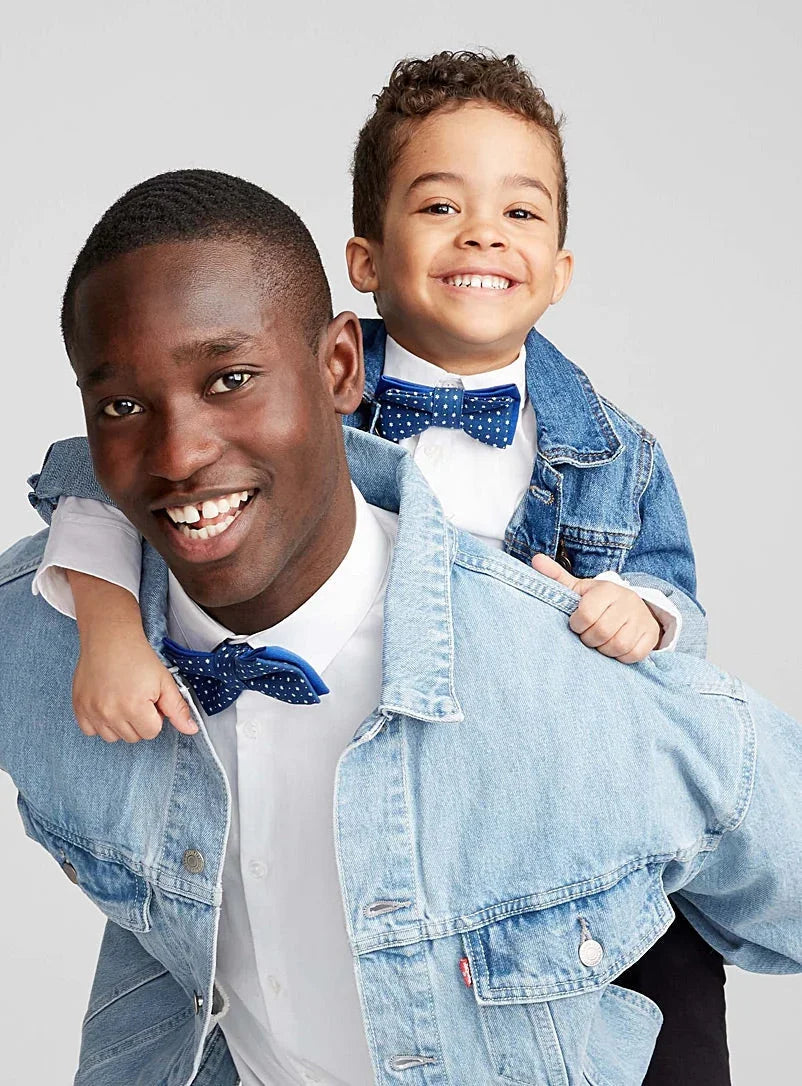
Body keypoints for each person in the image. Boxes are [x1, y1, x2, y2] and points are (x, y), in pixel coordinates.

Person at [3, 170, 801, 1086]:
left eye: (231, 379)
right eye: (122, 407)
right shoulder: (38, 636)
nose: (180, 454)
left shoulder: (574, 696)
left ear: (341, 367)